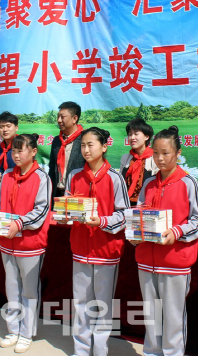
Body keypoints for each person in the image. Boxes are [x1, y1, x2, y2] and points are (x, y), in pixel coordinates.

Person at [134, 126, 198, 356]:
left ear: (178, 153)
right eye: (155, 153)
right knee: (151, 314)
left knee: (173, 316)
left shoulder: (188, 183)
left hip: (175, 261)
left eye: (165, 153)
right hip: (146, 258)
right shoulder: (148, 184)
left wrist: (176, 232)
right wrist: (135, 234)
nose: (160, 158)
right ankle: (151, 352)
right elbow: (139, 215)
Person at [64, 127, 128, 356]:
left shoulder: (115, 178)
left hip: (106, 250)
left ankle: (100, 351)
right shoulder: (74, 176)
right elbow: (67, 210)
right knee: (80, 303)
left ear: (104, 146)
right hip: (80, 247)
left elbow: (124, 216)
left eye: (91, 144)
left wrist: (101, 221)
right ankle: (81, 350)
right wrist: (65, 214)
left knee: (102, 305)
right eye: (83, 145)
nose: (86, 149)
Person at [0, 133, 52, 353]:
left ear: (34, 152)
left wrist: (19, 223)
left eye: (21, 150)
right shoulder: (6, 175)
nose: (16, 155)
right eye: (14, 151)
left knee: (29, 291)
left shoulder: (42, 177)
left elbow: (42, 210)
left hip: (30, 243)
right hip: (7, 241)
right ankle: (13, 329)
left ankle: (27, 333)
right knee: (12, 288)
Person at [50, 102, 85, 198]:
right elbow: (52, 168)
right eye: (58, 117)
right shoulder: (57, 140)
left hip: (77, 193)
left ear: (74, 118)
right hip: (57, 194)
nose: (59, 120)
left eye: (62, 117)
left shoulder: (84, 139)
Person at [119, 118, 158, 206]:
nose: (132, 138)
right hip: (127, 205)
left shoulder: (155, 158)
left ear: (146, 137)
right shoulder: (125, 158)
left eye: (136, 134)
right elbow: (121, 183)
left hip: (148, 205)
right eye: (130, 134)